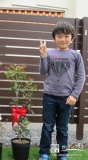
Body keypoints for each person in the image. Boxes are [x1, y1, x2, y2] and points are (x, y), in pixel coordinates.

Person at [38, 21, 86, 160]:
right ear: (54, 38)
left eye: (66, 36)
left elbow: (82, 76)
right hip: (49, 97)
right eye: (59, 36)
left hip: (67, 98)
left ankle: (62, 154)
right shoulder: (49, 52)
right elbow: (43, 71)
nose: (63, 39)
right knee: (47, 127)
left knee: (63, 129)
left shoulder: (75, 55)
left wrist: (74, 95)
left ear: (72, 38)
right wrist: (43, 55)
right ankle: (44, 153)